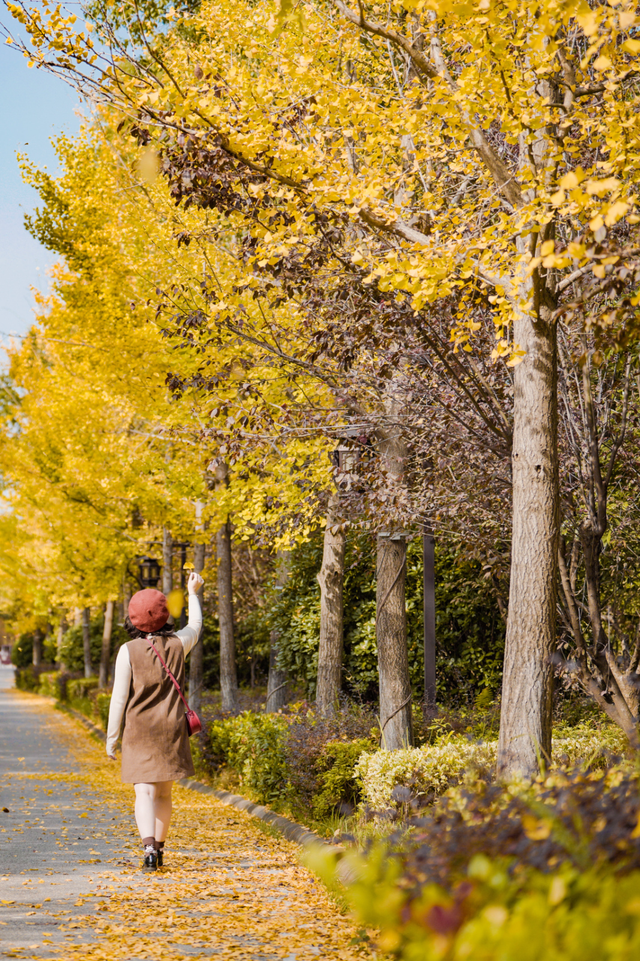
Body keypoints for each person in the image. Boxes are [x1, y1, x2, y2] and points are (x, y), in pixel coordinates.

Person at [106, 571, 204, 871]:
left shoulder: (128, 651)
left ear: (132, 619)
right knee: (164, 793)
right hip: (172, 730)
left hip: (140, 731)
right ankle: (159, 851)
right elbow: (196, 627)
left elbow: (119, 699)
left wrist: (111, 738)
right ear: (164, 615)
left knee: (144, 793)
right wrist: (193, 593)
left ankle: (148, 848)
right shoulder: (178, 645)